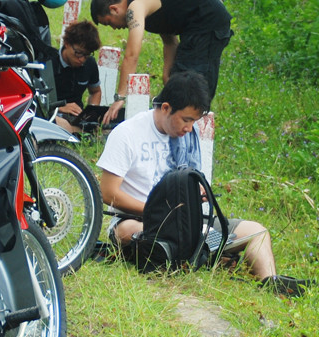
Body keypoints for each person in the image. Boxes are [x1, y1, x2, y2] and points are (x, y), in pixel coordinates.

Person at [96, 71, 312, 297]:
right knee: (130, 232)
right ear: (166, 108)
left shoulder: (187, 137)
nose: (190, 128)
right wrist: (157, 213)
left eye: (194, 121)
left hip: (187, 225)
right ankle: (202, 254)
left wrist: (196, 194)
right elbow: (108, 193)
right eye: (186, 120)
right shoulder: (127, 134)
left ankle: (271, 283)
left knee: (257, 232)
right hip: (140, 221)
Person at [90, 0, 232, 124]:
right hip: (195, 28)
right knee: (179, 80)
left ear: (114, 9)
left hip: (207, 24)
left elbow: (131, 55)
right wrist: (167, 75)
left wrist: (120, 98)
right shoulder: (147, 5)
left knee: (191, 83)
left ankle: (192, 126)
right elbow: (170, 42)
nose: (114, 28)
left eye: (108, 23)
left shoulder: (136, 6)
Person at [51, 19, 102, 134]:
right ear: (67, 43)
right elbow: (35, 98)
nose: (82, 59)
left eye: (87, 55)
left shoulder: (90, 63)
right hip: (51, 113)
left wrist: (91, 112)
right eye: (78, 53)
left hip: (76, 116)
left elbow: (96, 91)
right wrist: (59, 107)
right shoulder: (48, 62)